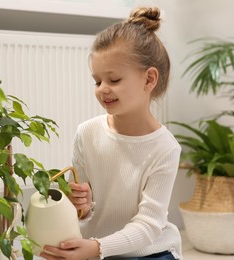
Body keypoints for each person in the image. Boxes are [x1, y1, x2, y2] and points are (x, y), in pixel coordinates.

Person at [40, 6, 182, 260]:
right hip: (95, 245)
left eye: (114, 80)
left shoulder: (165, 148)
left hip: (147, 251)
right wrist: (80, 205)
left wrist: (97, 249)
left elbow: (148, 226)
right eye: (97, 81)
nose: (102, 89)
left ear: (149, 80)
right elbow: (85, 211)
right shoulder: (87, 133)